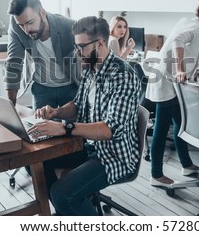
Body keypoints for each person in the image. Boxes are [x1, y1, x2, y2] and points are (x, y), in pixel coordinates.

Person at [28, 16, 141, 216]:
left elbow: (109, 130)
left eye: (82, 46)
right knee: (34, 162)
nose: (78, 52)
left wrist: (65, 127)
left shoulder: (123, 75)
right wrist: (57, 111)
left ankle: (71, 208)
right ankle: (71, 210)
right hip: (88, 146)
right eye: (76, 46)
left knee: (62, 194)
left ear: (100, 43)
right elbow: (79, 105)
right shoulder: (91, 68)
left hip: (114, 157)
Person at [145, 0, 199, 187]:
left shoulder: (190, 22)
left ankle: (186, 165)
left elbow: (184, 47)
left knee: (181, 126)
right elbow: (176, 41)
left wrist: (189, 70)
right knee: (162, 130)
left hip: (172, 83)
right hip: (167, 82)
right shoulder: (195, 28)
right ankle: (156, 175)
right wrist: (180, 69)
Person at [4, 0, 79, 110]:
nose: (27, 30)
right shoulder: (15, 25)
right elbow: (14, 61)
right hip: (42, 89)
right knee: (40, 127)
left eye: (30, 22)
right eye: (22, 25)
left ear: (42, 13)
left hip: (70, 87)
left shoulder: (70, 27)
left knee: (72, 127)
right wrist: (9, 107)